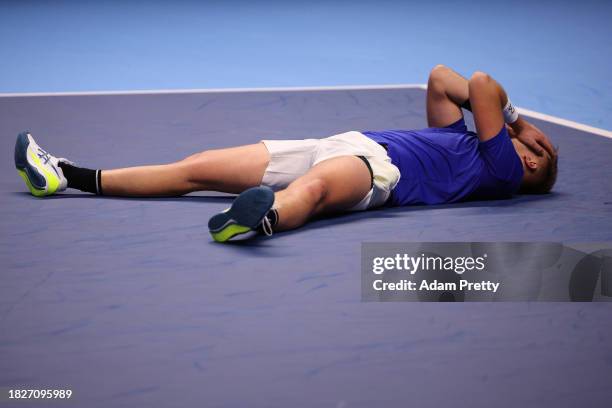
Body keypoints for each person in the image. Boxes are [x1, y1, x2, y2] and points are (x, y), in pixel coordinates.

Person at [14, 65, 558, 242]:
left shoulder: (502, 169)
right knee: (196, 167)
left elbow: (484, 84)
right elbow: (443, 79)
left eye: (541, 168)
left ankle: (259, 220)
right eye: (538, 155)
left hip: (380, 172)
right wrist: (509, 127)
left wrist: (519, 125)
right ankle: (65, 175)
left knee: (315, 193)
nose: (534, 161)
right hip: (336, 144)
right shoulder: (462, 141)